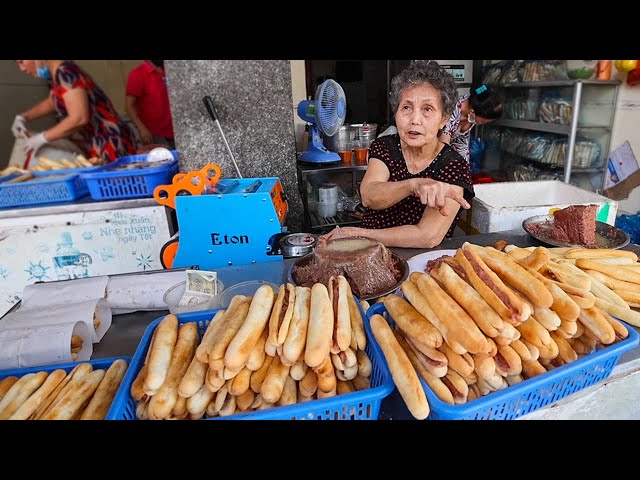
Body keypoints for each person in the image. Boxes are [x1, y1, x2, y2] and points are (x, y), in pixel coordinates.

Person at [320, 60, 473, 249]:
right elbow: (369, 196)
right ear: (396, 112)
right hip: (370, 254)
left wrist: (360, 234)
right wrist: (414, 185)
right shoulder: (385, 146)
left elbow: (427, 236)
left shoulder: (455, 166)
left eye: (427, 109)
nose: (415, 120)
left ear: (443, 119)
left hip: (422, 263)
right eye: (406, 108)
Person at [12, 60, 137, 163]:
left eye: (22, 61)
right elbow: (53, 101)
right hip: (99, 142)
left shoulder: (65, 72)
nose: (22, 68)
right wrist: (23, 117)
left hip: (111, 142)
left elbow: (79, 117)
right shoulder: (58, 74)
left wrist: (42, 138)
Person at [439, 83, 503, 162]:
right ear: (472, 112)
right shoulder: (452, 109)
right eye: (482, 121)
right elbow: (443, 145)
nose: (482, 124)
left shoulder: (472, 111)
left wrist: (463, 167)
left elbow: (461, 145)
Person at [125, 60, 175, 149]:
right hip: (155, 135)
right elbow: (129, 106)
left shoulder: (173, 70)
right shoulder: (138, 74)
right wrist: (142, 129)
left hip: (177, 131)